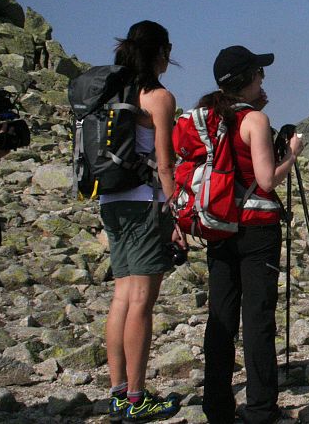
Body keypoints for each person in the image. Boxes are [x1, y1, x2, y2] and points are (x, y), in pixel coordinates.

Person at [199, 46, 302, 424]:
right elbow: (265, 179)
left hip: (217, 224)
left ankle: (217, 408)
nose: (264, 77)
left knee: (221, 317)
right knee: (258, 319)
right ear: (246, 80)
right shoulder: (255, 120)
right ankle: (260, 408)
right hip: (256, 230)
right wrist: (290, 154)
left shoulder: (207, 115)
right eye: (259, 72)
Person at [102, 21, 183, 422]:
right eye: (167, 49)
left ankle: (117, 392)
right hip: (146, 203)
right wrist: (177, 211)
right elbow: (165, 162)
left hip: (111, 199)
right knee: (141, 303)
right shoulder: (159, 97)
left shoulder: (113, 91)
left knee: (121, 296)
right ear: (158, 52)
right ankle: (136, 398)